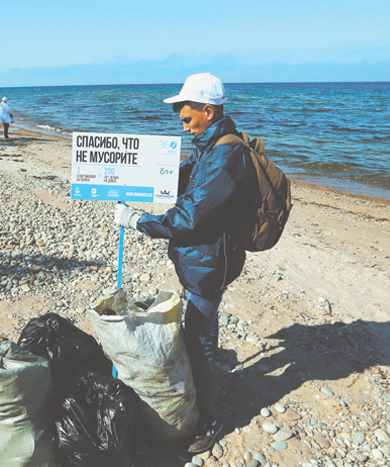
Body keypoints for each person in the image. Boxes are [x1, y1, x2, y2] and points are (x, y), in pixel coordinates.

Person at [113, 73, 257, 454]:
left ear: (208, 111)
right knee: (197, 333)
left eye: (187, 117)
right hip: (200, 260)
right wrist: (136, 177)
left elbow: (191, 217)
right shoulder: (208, 147)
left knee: (201, 341)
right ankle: (201, 400)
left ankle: (210, 420)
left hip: (210, 265)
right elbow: (182, 183)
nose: (184, 124)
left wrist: (139, 221)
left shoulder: (227, 154)